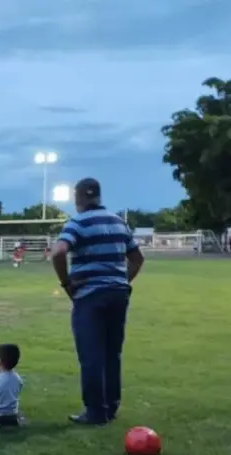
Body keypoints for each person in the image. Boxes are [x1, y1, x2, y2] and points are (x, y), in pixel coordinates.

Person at [50, 178, 144, 425]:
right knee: (112, 353)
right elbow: (137, 259)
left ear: (78, 197)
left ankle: (95, 411)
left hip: (90, 296)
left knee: (91, 355)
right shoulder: (118, 222)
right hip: (118, 295)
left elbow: (58, 252)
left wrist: (66, 283)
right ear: (99, 196)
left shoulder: (77, 223)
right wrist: (121, 281)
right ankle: (111, 406)